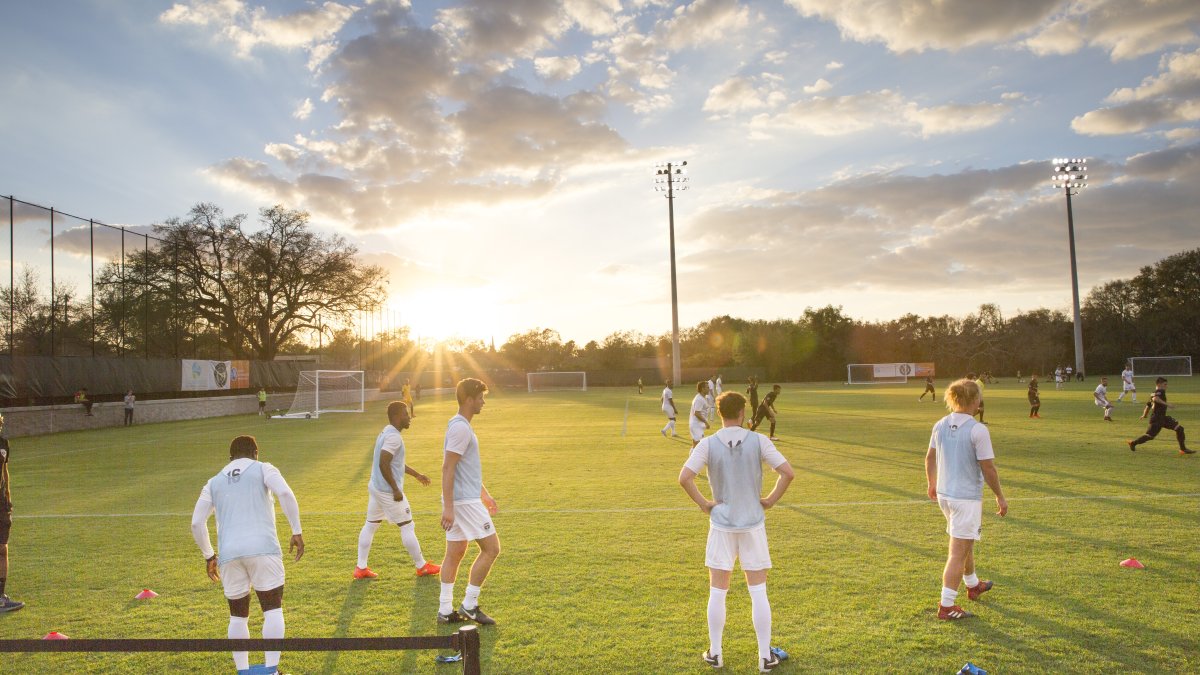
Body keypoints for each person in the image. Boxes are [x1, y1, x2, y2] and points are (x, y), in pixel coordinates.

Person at [679, 392, 794, 672]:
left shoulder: (707, 444)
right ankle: (765, 657)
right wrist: (769, 500)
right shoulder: (758, 440)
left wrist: (706, 504)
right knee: (758, 591)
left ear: (719, 414)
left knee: (718, 592)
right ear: (743, 412)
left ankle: (716, 654)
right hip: (753, 524)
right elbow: (787, 473)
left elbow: (684, 478)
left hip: (721, 526)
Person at [191, 435, 304, 674]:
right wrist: (296, 531)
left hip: (229, 555)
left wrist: (210, 556)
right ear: (255, 453)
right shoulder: (264, 468)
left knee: (238, 616)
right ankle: (271, 670)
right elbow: (285, 494)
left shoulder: (213, 482)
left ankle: (243, 671)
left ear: (230, 457)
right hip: (263, 549)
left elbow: (196, 523)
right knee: (272, 610)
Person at [924, 379, 1008, 621]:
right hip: (965, 499)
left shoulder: (940, 424)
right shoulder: (977, 429)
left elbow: (929, 458)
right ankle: (946, 605)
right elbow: (988, 468)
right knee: (958, 552)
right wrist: (1000, 496)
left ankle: (972, 585)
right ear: (975, 401)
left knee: (965, 541)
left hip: (945, 496)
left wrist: (932, 483)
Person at [438, 378, 501, 626]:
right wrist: (449, 507)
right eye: (480, 398)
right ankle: (470, 605)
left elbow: (464, 467)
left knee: (455, 553)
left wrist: (484, 494)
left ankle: (444, 610)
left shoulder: (461, 426)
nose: (483, 402)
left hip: (465, 498)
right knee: (492, 549)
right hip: (463, 502)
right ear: (468, 400)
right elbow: (447, 467)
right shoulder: (460, 427)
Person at [354, 401, 440, 580]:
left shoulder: (386, 431)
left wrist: (416, 475)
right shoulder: (394, 437)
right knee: (407, 525)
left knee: (370, 525)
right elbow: (383, 462)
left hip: (376, 487)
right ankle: (421, 566)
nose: (409, 417)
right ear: (396, 416)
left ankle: (360, 568)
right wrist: (395, 489)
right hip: (386, 490)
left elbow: (394, 462)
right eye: (405, 414)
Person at [1128, 377, 1194, 455]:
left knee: (1179, 429)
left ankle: (1183, 449)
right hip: (1157, 418)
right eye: (1165, 384)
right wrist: (1167, 404)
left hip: (1163, 417)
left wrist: (1144, 415)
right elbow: (1156, 399)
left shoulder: (1153, 393)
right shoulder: (1160, 391)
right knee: (1150, 436)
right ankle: (1133, 443)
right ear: (1159, 384)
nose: (1166, 386)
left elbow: (1148, 406)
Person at [0, 413, 23, 613]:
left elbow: (5, 470)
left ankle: (1, 596)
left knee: (2, 548)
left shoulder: (3, 443)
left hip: (1, 504)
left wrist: (7, 495)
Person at [690, 381, 711, 449]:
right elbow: (697, 413)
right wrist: (706, 422)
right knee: (698, 446)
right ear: (702, 389)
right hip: (696, 426)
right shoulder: (699, 399)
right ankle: (693, 459)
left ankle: (691, 459)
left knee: (695, 445)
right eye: (707, 387)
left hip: (697, 425)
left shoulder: (701, 398)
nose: (709, 389)